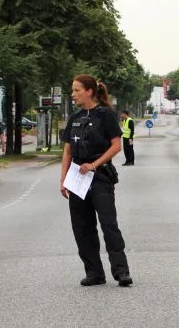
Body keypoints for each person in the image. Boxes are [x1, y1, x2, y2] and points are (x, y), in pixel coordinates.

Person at [59, 74, 133, 287]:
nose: (73, 94)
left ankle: (121, 271)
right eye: (72, 90)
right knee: (82, 227)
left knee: (109, 224)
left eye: (76, 90)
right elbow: (67, 151)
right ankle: (94, 273)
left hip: (100, 177)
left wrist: (94, 164)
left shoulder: (106, 115)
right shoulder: (74, 117)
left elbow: (116, 145)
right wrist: (63, 180)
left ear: (89, 91)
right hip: (77, 180)